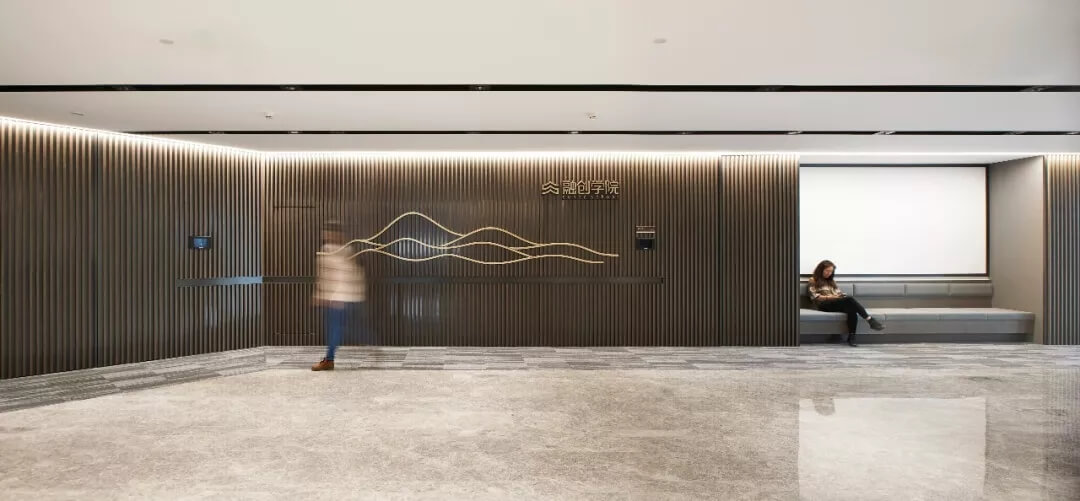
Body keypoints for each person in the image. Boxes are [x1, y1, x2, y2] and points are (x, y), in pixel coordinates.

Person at [311, 220, 367, 371]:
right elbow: (327, 275)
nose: (326, 234)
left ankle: (329, 360)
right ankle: (330, 359)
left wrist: (325, 295)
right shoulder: (340, 250)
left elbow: (338, 276)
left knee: (336, 329)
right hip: (342, 298)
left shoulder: (337, 251)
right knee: (340, 328)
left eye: (328, 231)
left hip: (338, 299)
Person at [808, 260, 884, 347]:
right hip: (823, 305)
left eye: (831, 271)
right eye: (827, 271)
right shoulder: (813, 280)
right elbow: (815, 297)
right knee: (850, 300)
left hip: (834, 303)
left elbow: (838, 293)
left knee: (852, 309)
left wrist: (841, 296)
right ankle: (870, 320)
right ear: (821, 270)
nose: (829, 273)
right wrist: (832, 297)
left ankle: (852, 337)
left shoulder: (831, 281)